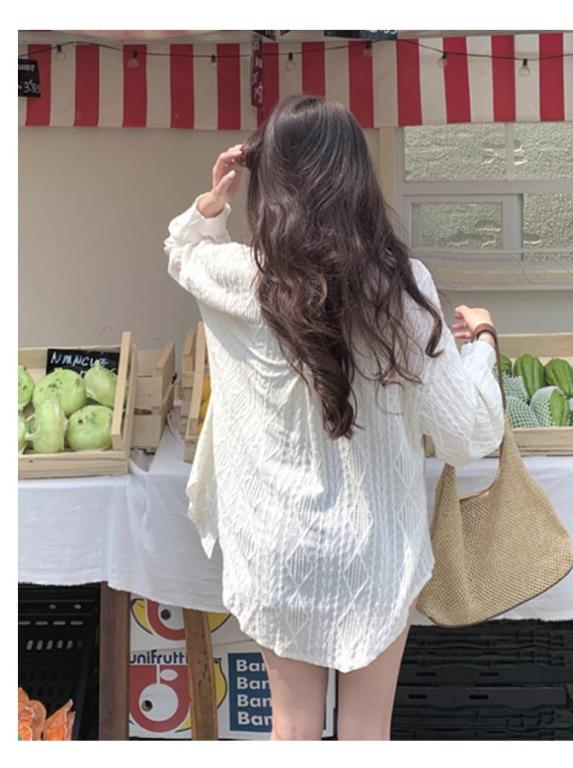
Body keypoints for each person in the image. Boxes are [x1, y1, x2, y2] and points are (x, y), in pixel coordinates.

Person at [164, 94, 504, 740]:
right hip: (376, 550)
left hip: (276, 548)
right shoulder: (400, 288)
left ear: (270, 181)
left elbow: (183, 252)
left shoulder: (241, 281)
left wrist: (213, 201)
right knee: (366, 736)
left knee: (291, 731)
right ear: (357, 178)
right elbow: (468, 434)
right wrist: (483, 345)